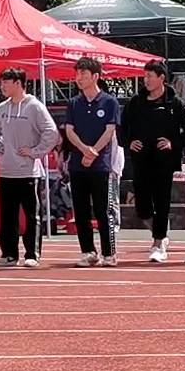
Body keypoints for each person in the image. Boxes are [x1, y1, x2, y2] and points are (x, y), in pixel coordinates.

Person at [121, 60, 185, 262]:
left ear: (161, 78)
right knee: (142, 207)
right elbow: (122, 127)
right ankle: (160, 233)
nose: (146, 80)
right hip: (141, 160)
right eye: (145, 76)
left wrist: (173, 143)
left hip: (164, 161)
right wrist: (129, 142)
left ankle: (158, 242)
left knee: (162, 201)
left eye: (150, 76)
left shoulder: (175, 103)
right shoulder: (135, 102)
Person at [0, 67, 59, 267]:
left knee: (31, 215)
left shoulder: (34, 106)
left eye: (6, 82)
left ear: (18, 83)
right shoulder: (2, 107)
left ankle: (32, 254)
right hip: (6, 170)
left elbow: (51, 132)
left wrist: (35, 151)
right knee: (8, 215)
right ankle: (9, 254)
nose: (2, 86)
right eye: (1, 82)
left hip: (29, 172)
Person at [64, 57, 121, 267]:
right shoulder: (74, 103)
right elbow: (69, 130)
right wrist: (83, 149)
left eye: (83, 74)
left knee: (103, 210)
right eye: (77, 74)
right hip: (77, 165)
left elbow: (109, 130)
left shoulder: (109, 102)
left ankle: (109, 253)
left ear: (95, 76)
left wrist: (94, 152)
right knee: (81, 211)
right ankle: (88, 251)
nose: (79, 78)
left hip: (100, 166)